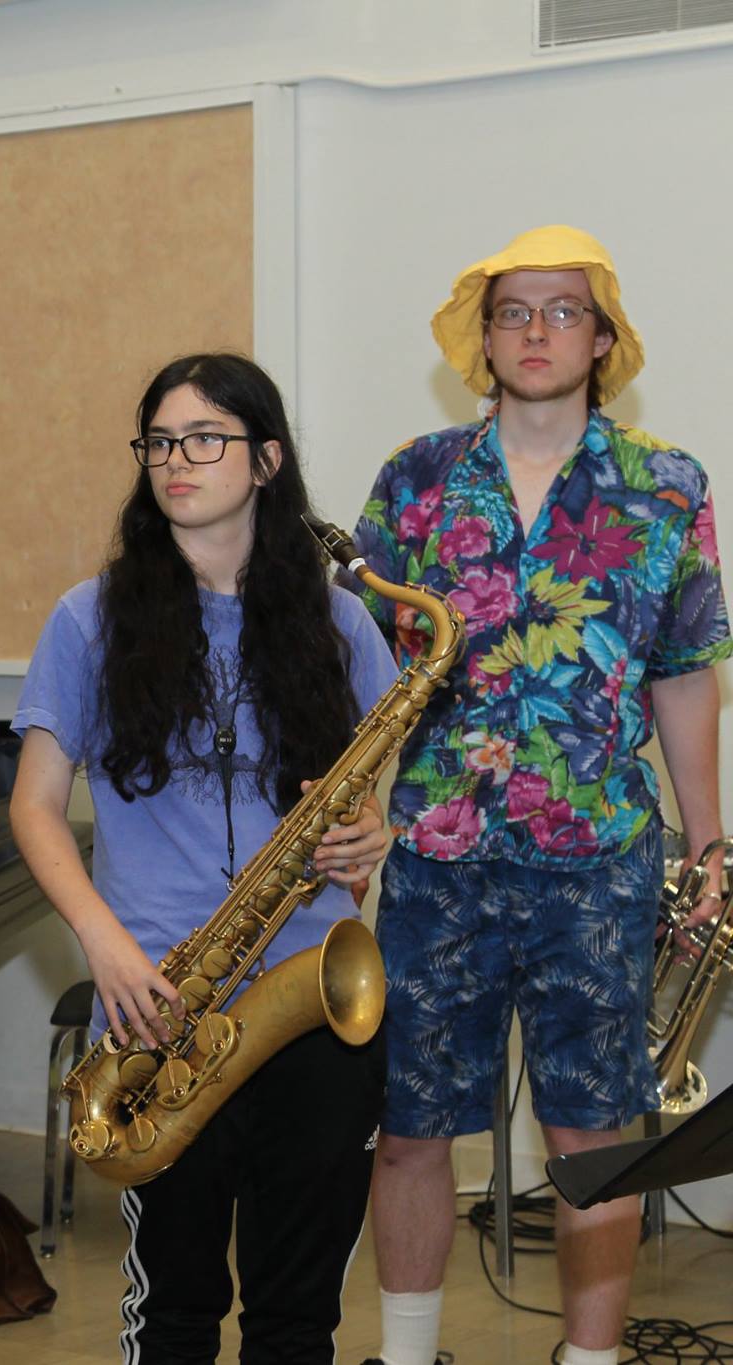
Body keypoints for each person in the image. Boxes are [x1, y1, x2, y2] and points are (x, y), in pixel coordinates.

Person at [354, 225, 731, 1365]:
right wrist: (346, 819)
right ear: (481, 337)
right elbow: (356, 675)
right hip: (432, 860)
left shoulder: (664, 487)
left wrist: (708, 849)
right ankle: (408, 1353)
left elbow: (681, 678)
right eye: (512, 310)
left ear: (602, 337)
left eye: (562, 310)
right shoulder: (414, 480)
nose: (534, 330)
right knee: (409, 1129)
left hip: (601, 864)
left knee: (592, 1137)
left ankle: (588, 1358)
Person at [8, 354, 398, 1363]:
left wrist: (369, 838)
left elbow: (368, 804)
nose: (176, 461)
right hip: (158, 1004)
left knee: (297, 1318)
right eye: (158, 442)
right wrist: (102, 946)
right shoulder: (86, 619)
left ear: (266, 459)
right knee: (172, 1313)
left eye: (205, 439)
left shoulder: (339, 622)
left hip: (310, 997)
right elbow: (35, 808)